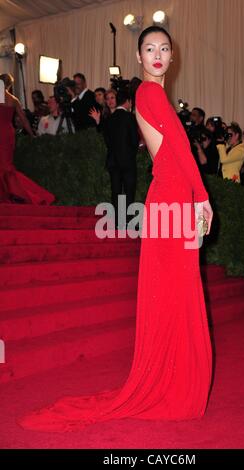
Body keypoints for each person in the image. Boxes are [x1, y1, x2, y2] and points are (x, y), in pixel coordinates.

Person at [19, 26, 213, 431]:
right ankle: (171, 383)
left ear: (172, 57)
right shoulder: (150, 92)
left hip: (170, 196)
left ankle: (171, 378)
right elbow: (178, 150)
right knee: (175, 290)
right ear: (139, 57)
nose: (157, 54)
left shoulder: (152, 95)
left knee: (174, 291)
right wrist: (202, 197)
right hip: (174, 196)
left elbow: (175, 151)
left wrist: (194, 196)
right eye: (149, 49)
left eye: (164, 48)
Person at [0, 74, 55, 205]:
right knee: (6, 166)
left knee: (3, 167)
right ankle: (14, 194)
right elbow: (24, 119)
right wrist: (32, 134)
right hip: (8, 133)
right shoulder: (13, 100)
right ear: (9, 85)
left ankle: (17, 194)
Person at [103, 88, 139, 229]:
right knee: (129, 192)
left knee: (116, 191)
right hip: (128, 161)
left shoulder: (109, 119)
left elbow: (107, 141)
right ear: (128, 102)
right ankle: (129, 222)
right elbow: (135, 140)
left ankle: (116, 222)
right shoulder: (130, 117)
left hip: (113, 161)